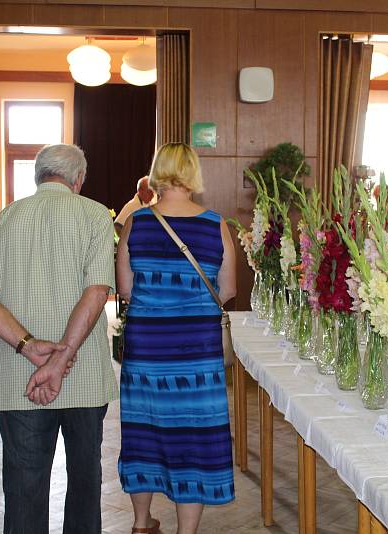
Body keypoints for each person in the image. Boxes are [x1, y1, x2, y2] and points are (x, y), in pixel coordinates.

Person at [0, 144, 117, 534]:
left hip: (22, 377)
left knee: (23, 487)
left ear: (38, 176)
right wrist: (62, 357)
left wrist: (29, 346)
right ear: (78, 180)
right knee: (85, 485)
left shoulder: (0, 222)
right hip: (81, 376)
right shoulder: (96, 216)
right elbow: (98, 291)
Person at [116, 143, 237, 534]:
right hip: (196, 354)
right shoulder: (216, 224)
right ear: (193, 173)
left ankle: (140, 522)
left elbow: (126, 289)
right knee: (193, 436)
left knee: (143, 430)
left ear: (157, 173)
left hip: (147, 349)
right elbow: (229, 289)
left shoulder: (136, 223)